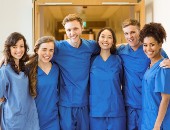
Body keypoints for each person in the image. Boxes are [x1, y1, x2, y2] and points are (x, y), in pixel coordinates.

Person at [116, 19, 169, 130]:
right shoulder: (121, 50)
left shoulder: (151, 50)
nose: (129, 36)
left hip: (149, 106)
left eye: (133, 32)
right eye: (126, 33)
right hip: (130, 106)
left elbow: (165, 65)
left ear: (139, 32)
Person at [51, 14, 99, 130]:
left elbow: (110, 46)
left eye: (75, 28)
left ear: (82, 28)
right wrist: (5, 58)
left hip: (84, 103)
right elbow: (39, 52)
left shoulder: (91, 46)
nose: (72, 33)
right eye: (68, 30)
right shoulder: (58, 47)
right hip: (66, 104)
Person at [0, 32, 39, 130]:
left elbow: (38, 54)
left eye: (21, 46)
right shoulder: (5, 70)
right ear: (9, 49)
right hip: (13, 119)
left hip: (29, 115)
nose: (19, 50)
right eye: (14, 47)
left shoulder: (24, 67)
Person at [89, 27, 126, 130]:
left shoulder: (119, 60)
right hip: (96, 111)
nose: (105, 40)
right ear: (98, 40)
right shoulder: (91, 60)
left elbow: (124, 82)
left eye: (109, 37)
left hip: (116, 110)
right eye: (103, 36)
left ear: (113, 41)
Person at [139, 22, 170, 130]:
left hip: (159, 123)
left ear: (160, 44)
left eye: (152, 44)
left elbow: (165, 99)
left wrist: (157, 126)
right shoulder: (150, 66)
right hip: (147, 120)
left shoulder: (163, 67)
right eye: (145, 45)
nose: (148, 49)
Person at [27, 36, 60, 130]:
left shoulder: (56, 69)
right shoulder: (28, 69)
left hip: (53, 119)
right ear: (37, 50)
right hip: (33, 118)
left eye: (51, 50)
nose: (47, 53)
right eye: (44, 49)